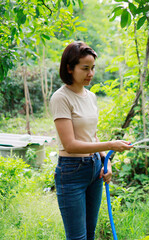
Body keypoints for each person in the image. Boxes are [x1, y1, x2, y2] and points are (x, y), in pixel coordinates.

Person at [50, 41, 133, 240]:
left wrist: (107, 160)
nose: (91, 74)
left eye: (93, 68)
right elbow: (70, 145)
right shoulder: (61, 98)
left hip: (95, 168)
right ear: (69, 68)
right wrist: (110, 145)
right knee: (77, 237)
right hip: (71, 172)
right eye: (85, 68)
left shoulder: (91, 97)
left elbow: (91, 135)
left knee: (89, 234)